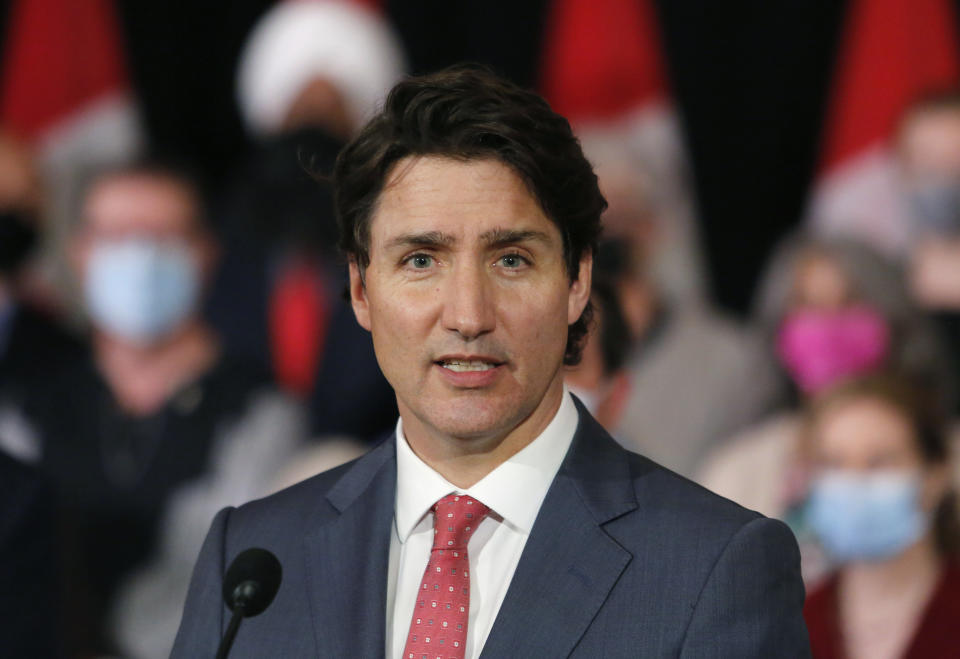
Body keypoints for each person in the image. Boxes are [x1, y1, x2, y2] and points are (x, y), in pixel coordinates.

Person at [172, 66, 809, 657]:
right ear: (361, 290)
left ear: (578, 282)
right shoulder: (252, 559)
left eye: (511, 260)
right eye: (421, 261)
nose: (469, 315)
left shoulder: (716, 566)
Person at [30, 161, 305, 657]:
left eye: (161, 237)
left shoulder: (264, 417)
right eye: (117, 236)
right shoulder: (30, 408)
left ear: (204, 252)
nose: (139, 258)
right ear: (78, 251)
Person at [698, 234, 951, 584]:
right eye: (806, 304)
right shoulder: (737, 471)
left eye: (849, 302)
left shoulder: (952, 454)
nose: (827, 325)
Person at [802, 374, 960, 658]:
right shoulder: (797, 619)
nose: (853, 483)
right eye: (834, 463)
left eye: (879, 462)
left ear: (935, 477)